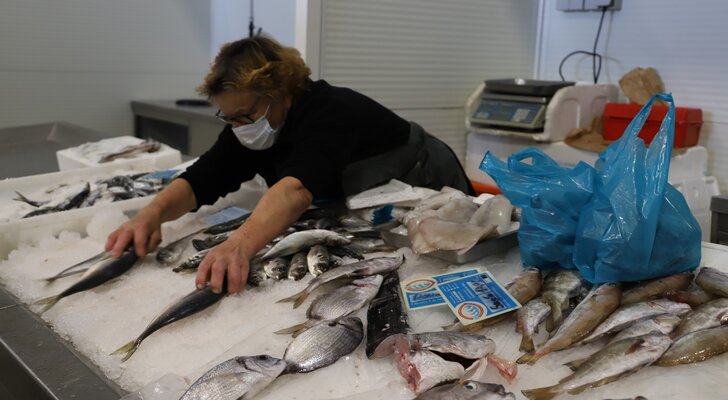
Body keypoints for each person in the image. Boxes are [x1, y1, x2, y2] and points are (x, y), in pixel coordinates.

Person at [106, 36, 473, 295]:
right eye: (229, 117)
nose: (238, 126)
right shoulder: (250, 126)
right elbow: (203, 176)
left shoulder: (330, 111)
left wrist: (239, 245)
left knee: (455, 247)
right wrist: (151, 214)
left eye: (245, 114)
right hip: (366, 205)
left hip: (424, 178)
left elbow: (295, 190)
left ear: (280, 92)